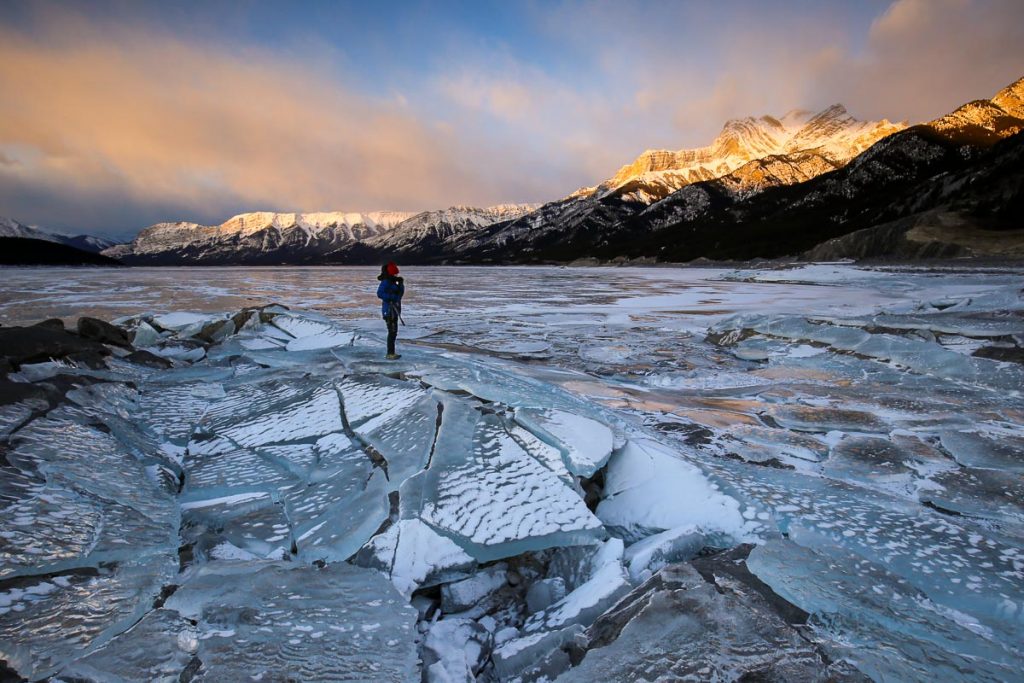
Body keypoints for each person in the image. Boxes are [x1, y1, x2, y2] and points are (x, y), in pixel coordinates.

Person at [376, 262, 405, 359]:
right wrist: (391, 297)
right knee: (392, 332)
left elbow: (399, 296)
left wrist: (401, 285)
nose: (397, 275)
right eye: (395, 273)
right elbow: (380, 293)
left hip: (394, 310)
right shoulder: (386, 282)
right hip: (389, 311)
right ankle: (390, 353)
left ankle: (391, 352)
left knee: (393, 332)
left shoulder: (393, 282)